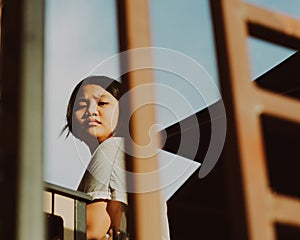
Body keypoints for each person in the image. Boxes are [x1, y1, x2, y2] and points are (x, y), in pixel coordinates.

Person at [63, 75, 170, 240]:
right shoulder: (126, 153)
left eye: (103, 103)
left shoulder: (112, 148)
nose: (90, 111)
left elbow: (90, 231)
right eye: (82, 104)